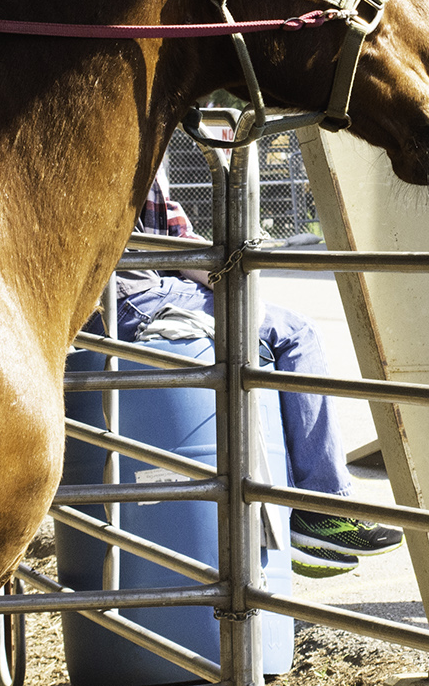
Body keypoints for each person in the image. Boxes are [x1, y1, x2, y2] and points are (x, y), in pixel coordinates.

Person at [115, 175, 402, 580]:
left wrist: (221, 277)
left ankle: (296, 509)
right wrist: (228, 278)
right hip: (132, 293)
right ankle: (320, 508)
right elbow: (174, 241)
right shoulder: (136, 133)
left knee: (260, 328)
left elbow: (171, 237)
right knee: (295, 333)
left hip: (120, 292)